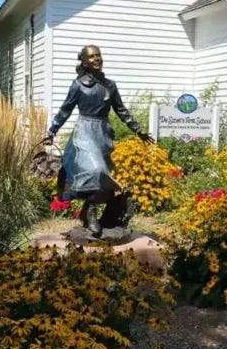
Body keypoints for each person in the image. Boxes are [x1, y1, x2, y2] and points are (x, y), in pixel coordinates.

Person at [44, 45, 153, 237]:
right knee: (96, 170)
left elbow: (121, 110)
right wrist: (52, 129)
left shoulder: (110, 85)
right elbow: (65, 109)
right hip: (84, 131)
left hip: (103, 133)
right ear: (85, 62)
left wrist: (138, 130)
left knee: (103, 177)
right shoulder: (78, 85)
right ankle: (92, 212)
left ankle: (89, 210)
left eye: (98, 55)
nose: (96, 59)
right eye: (92, 57)